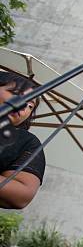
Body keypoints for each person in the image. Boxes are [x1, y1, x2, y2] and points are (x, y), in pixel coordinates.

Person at [0, 71, 44, 209]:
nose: (24, 105)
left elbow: (22, 195)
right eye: (17, 94)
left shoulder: (26, 142)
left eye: (30, 105)